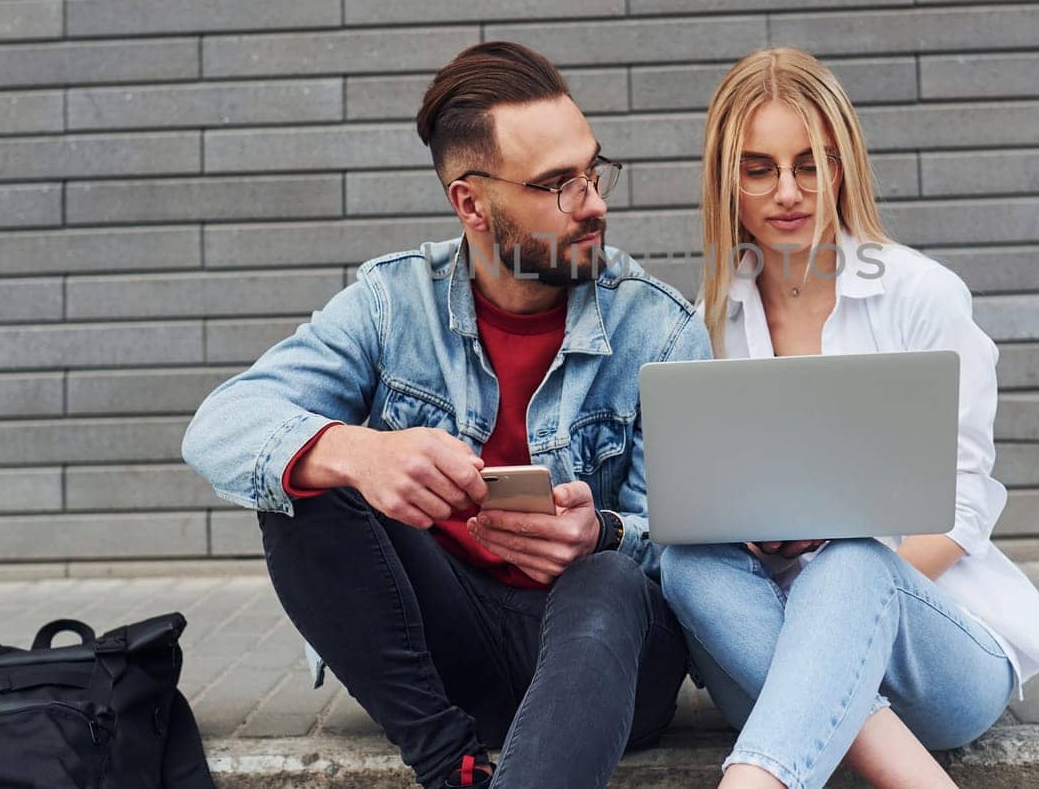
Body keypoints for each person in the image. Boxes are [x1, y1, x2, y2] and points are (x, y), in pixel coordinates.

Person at [182, 41, 707, 789]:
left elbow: (699, 544)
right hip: (442, 656)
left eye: (593, 171)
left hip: (605, 665)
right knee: (309, 477)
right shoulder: (391, 306)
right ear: (471, 203)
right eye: (557, 185)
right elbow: (221, 424)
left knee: (611, 580)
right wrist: (356, 452)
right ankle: (453, 768)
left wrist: (606, 533)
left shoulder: (660, 330)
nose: (594, 203)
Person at [658, 48, 1039, 789]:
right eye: (760, 169)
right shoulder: (710, 320)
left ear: (843, 167)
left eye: (811, 164)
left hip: (936, 653)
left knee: (848, 561)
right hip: (774, 649)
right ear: (727, 182)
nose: (789, 192)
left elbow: (962, 513)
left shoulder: (922, 296)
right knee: (687, 561)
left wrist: (834, 606)